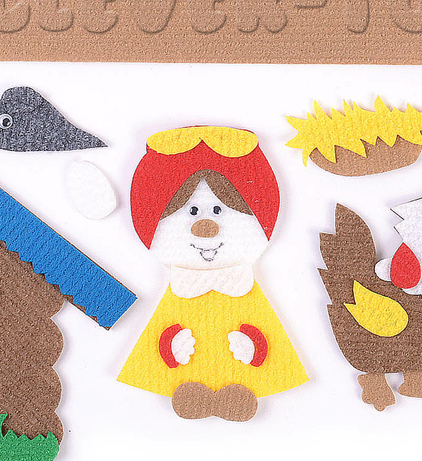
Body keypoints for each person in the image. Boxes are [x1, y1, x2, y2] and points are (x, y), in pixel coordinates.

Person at [118, 126, 307, 421]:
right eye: (191, 211)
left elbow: (261, 335)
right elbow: (165, 336)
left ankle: (235, 393)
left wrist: (253, 347)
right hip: (183, 383)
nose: (206, 226)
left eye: (219, 210)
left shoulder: (241, 278)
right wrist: (172, 348)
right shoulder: (183, 281)